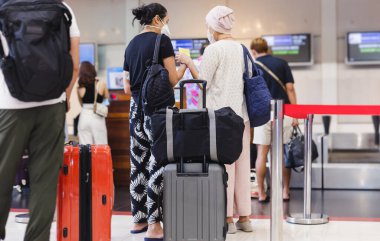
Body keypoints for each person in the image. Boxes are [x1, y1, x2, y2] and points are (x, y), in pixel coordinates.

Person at [0, 1, 80, 240]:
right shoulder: (62, 8)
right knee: (44, 181)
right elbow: (74, 65)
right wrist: (63, 97)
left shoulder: (4, 8)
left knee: (2, 175)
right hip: (52, 105)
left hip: (9, 105)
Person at [176, 5, 253, 234]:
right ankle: (246, 218)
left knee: (224, 167)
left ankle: (228, 219)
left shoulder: (213, 50)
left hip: (220, 117)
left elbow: (203, 83)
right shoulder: (242, 48)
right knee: (242, 166)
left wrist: (189, 63)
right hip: (243, 117)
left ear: (213, 25)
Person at [123, 3, 187, 240]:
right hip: (157, 112)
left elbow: (127, 85)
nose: (167, 24)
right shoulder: (162, 41)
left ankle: (138, 220)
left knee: (137, 163)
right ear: (158, 19)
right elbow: (171, 80)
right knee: (157, 164)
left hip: (134, 111)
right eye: (167, 20)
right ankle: (153, 225)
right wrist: (184, 67)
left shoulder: (130, 45)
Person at [250, 37, 298, 202]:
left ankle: (262, 193)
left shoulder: (253, 65)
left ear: (254, 51)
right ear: (267, 48)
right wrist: (295, 113)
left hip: (262, 113)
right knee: (283, 152)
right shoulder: (282, 63)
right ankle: (285, 191)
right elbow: (290, 88)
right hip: (283, 112)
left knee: (261, 154)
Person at [77, 61, 109, 145]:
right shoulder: (101, 83)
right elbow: (107, 96)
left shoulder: (80, 87)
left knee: (85, 149)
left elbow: (81, 104)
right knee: (101, 147)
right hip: (97, 116)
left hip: (84, 117)